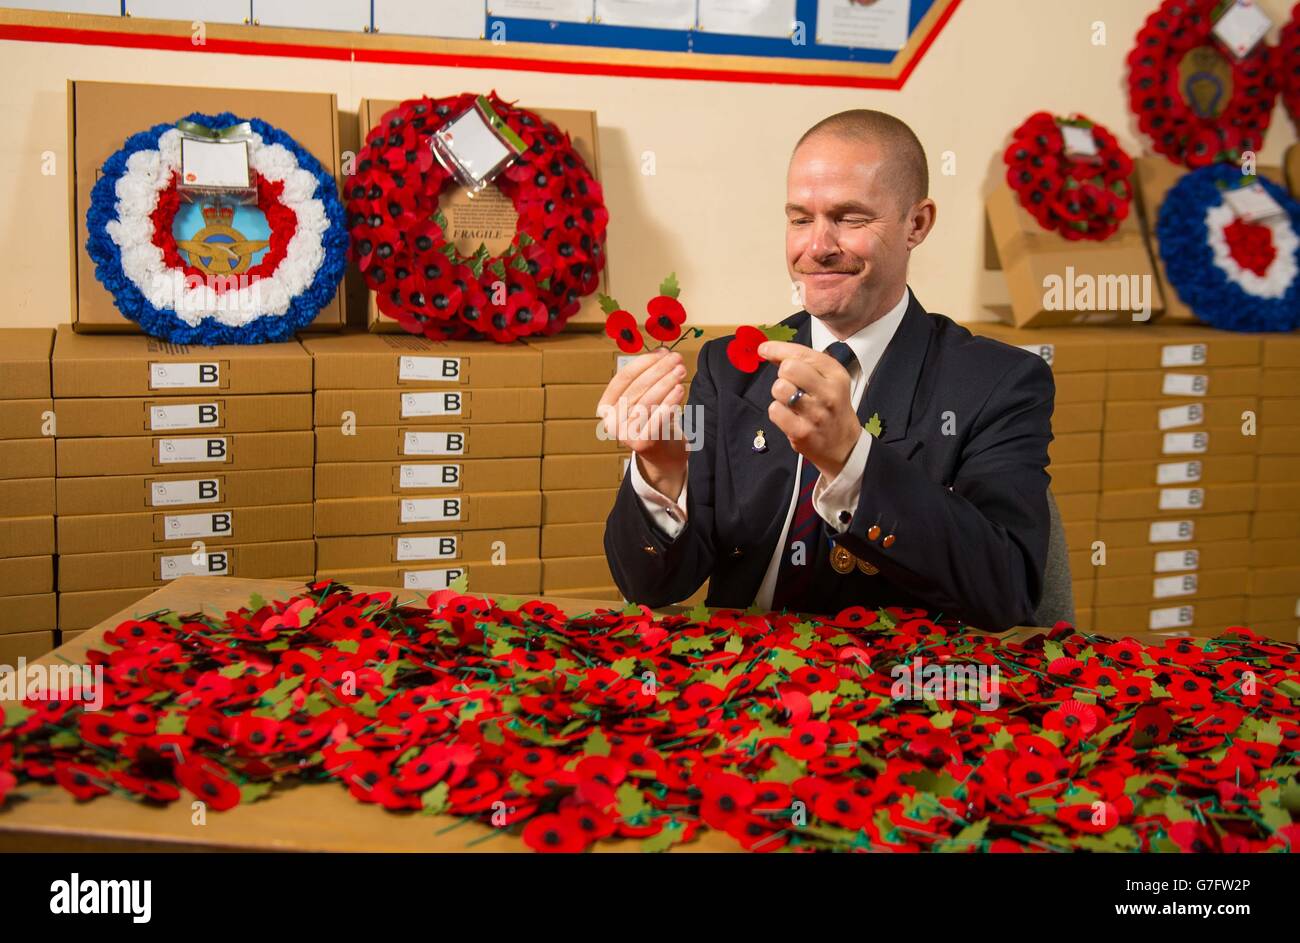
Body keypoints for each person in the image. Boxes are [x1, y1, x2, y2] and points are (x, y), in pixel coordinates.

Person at [598, 109, 1055, 632]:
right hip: (739, 684)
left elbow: (1007, 593)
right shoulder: (732, 368)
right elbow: (651, 586)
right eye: (799, 219)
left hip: (898, 689)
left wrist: (852, 461)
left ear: (917, 224)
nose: (815, 248)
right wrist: (660, 467)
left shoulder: (999, 383)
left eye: (850, 218)